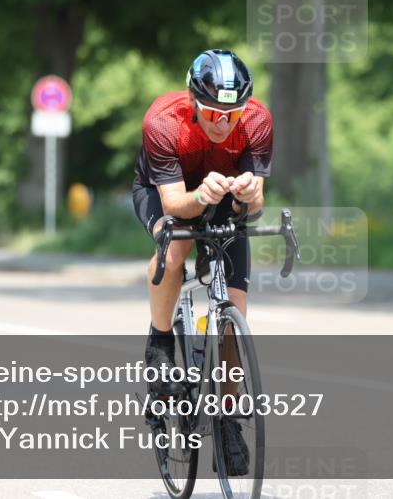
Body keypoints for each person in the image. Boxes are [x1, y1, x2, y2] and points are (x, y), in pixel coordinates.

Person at [132, 49, 272, 474]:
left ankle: (227, 419)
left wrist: (249, 196)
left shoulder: (258, 122)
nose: (222, 122)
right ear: (194, 101)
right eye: (212, 112)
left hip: (223, 193)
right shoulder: (163, 121)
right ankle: (159, 345)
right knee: (175, 248)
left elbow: (258, 204)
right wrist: (201, 196)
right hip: (167, 192)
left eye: (232, 113)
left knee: (234, 316)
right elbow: (176, 203)